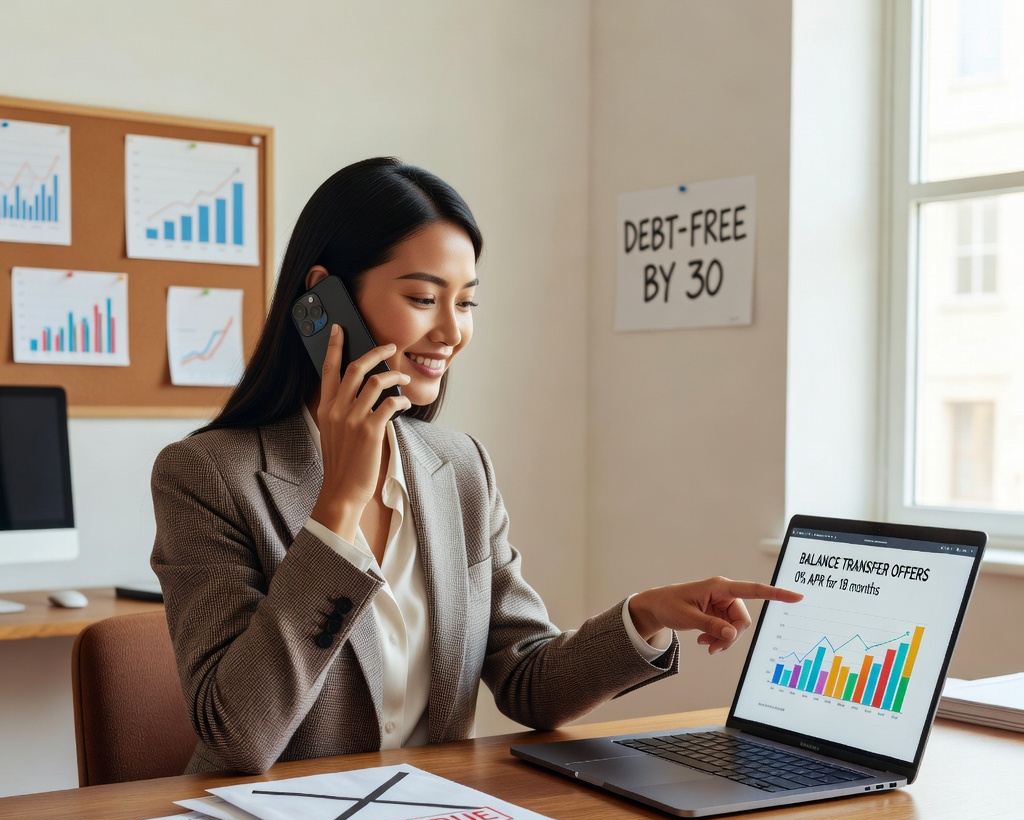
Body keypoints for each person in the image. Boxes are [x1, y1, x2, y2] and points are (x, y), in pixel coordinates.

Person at [151, 157, 800, 775]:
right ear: (323, 301)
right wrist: (337, 511)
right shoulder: (207, 476)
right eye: (423, 298)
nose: (451, 332)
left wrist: (646, 615)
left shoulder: (459, 469)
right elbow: (240, 737)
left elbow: (528, 683)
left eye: (465, 303)